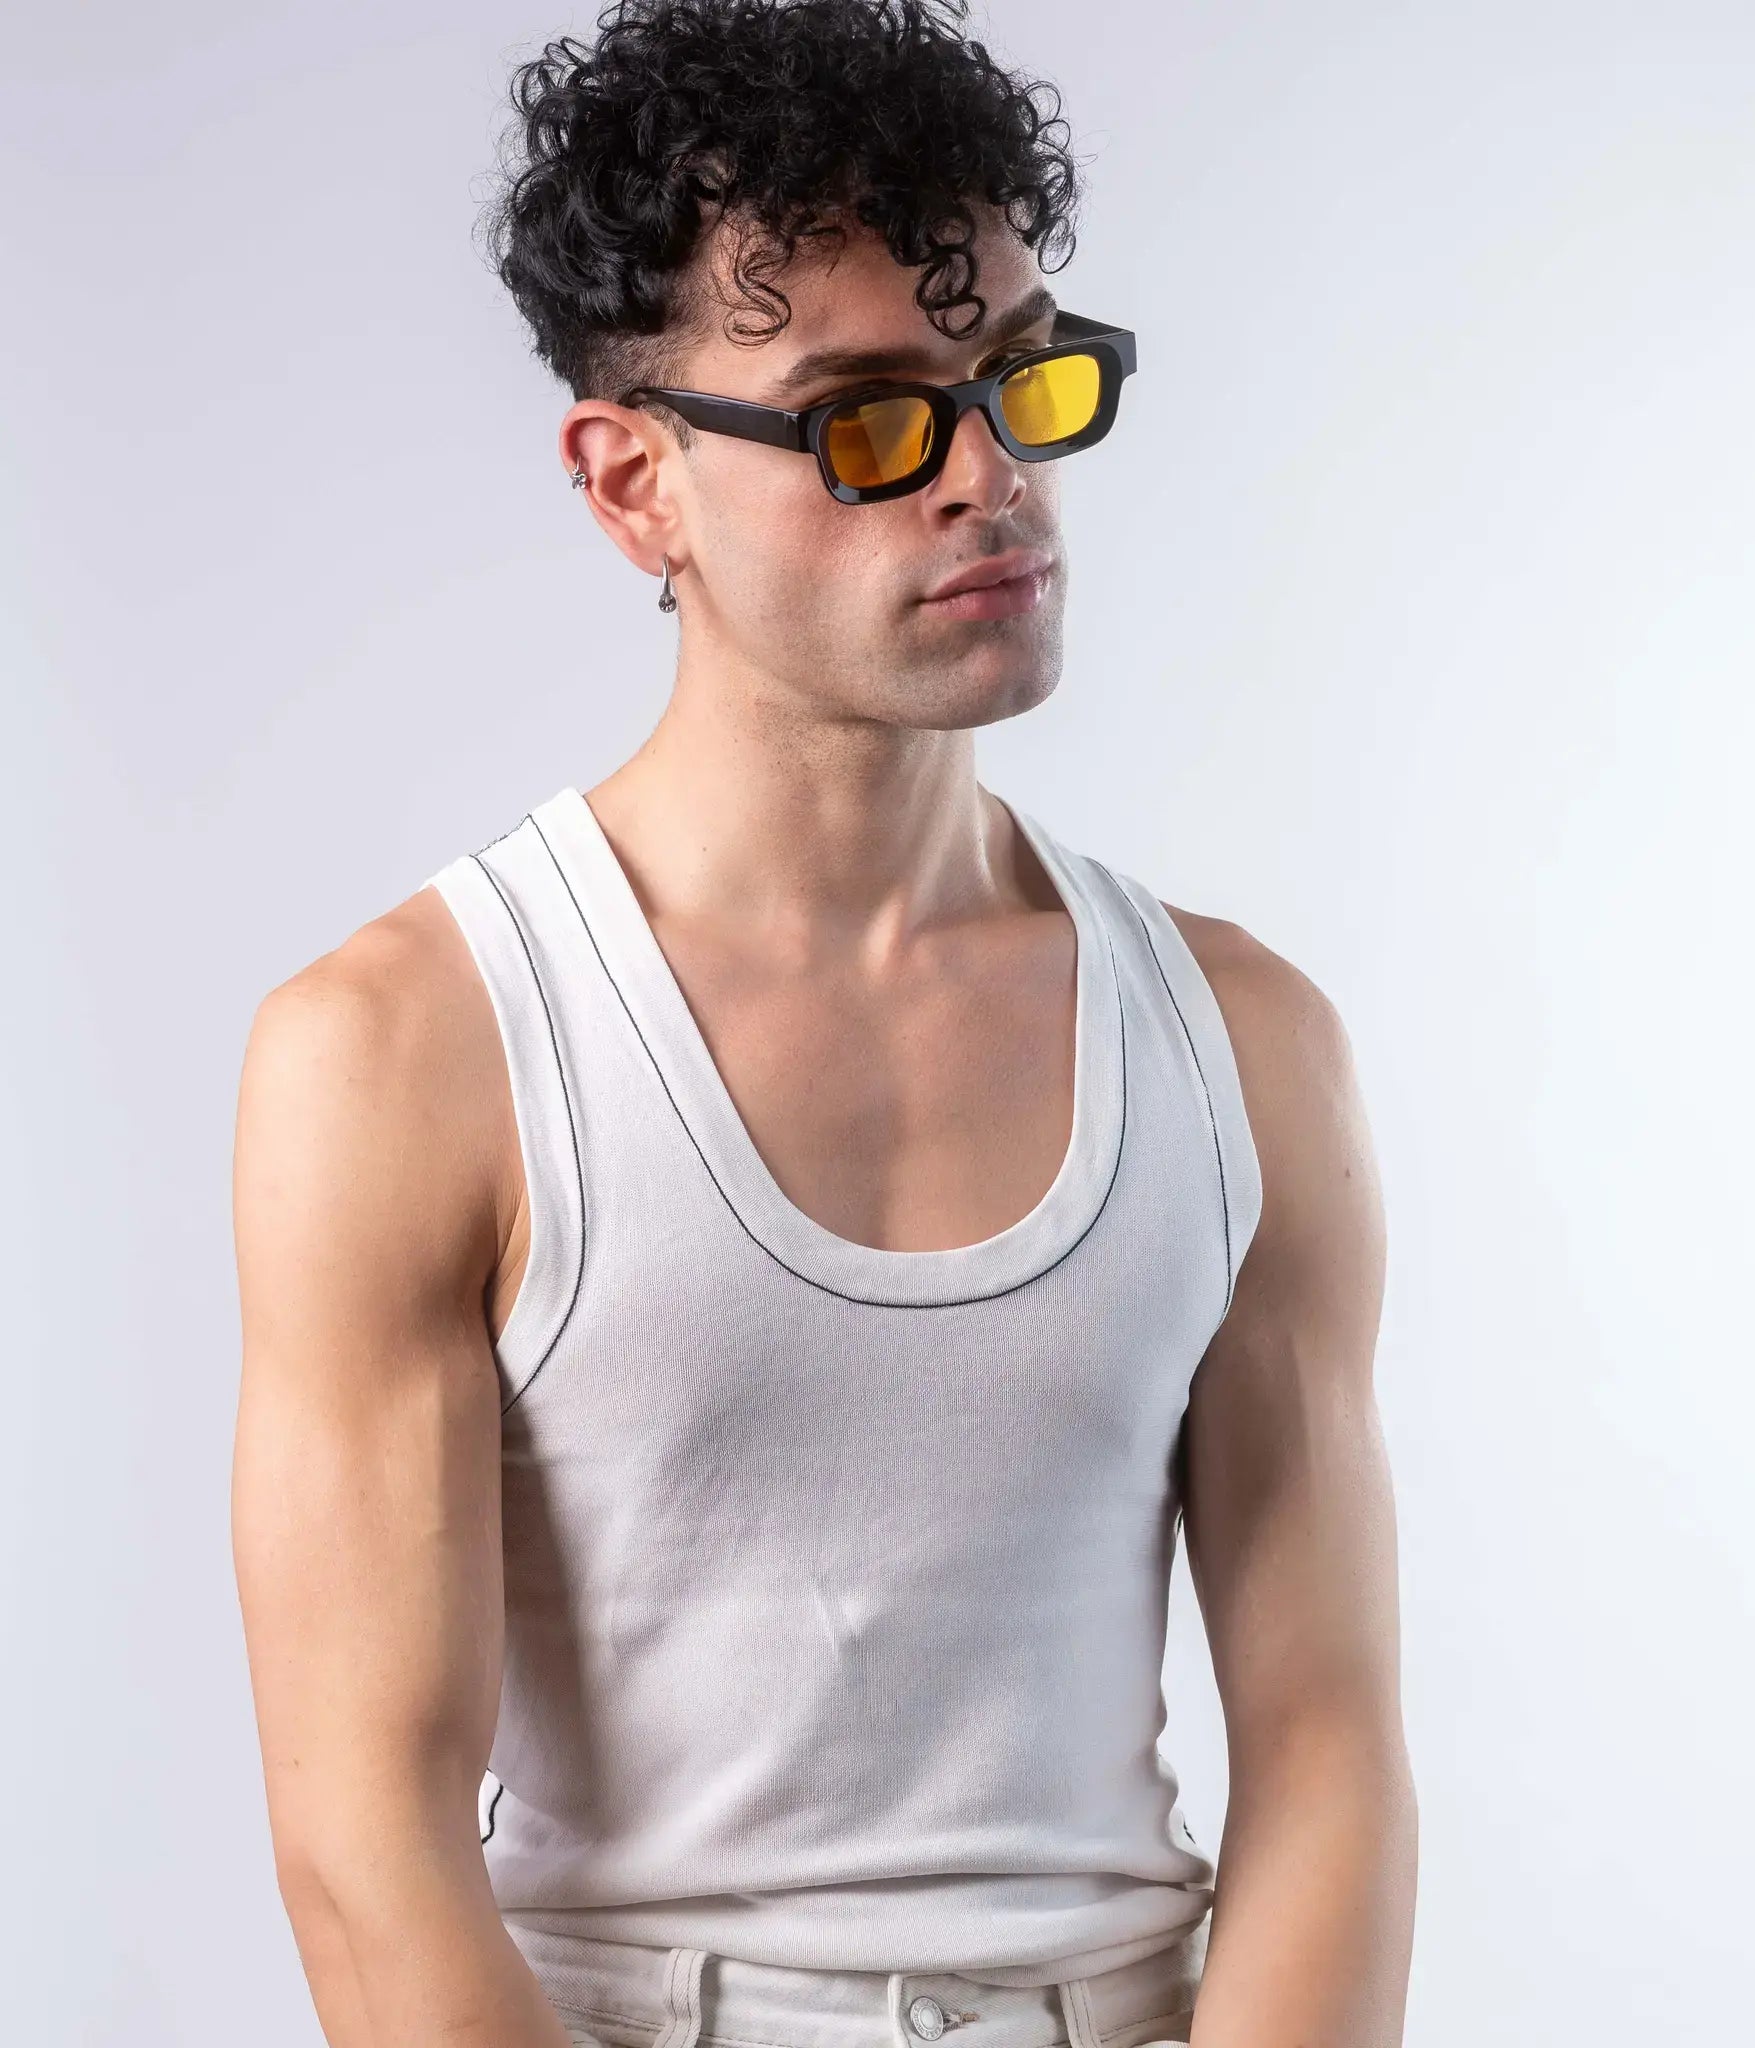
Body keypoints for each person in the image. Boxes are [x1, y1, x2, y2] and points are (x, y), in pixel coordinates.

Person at [229, 2, 1416, 2044]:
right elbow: (366, 1846)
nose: (987, 476)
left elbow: (1326, 1755)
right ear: (635, 487)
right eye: (866, 417)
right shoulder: (408, 1048)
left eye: (1014, 380)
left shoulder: (1244, 1043)